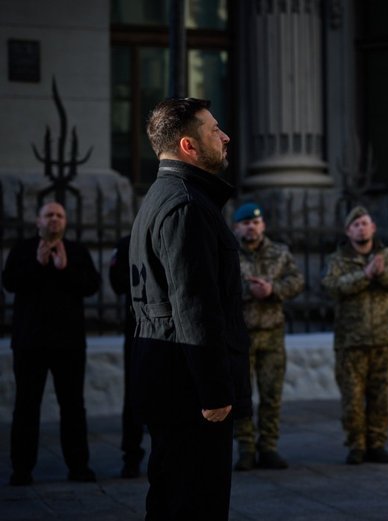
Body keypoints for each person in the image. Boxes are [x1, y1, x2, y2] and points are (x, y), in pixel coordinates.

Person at [129, 97, 251, 521]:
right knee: (195, 503)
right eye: (214, 129)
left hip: (174, 382)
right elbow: (194, 305)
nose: (225, 136)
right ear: (188, 146)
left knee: (173, 497)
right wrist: (216, 391)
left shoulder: (166, 196)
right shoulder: (185, 205)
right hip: (190, 390)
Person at [3, 201, 101, 486]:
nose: (54, 220)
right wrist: (38, 264)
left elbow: (91, 285)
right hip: (30, 343)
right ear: (38, 221)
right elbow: (9, 282)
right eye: (49, 215)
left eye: (59, 215)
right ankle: (21, 469)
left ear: (66, 222)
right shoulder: (23, 250)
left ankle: (79, 466)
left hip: (69, 344)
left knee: (73, 406)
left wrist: (65, 268)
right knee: (26, 406)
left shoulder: (77, 251)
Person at [321, 206, 388, 465]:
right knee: (352, 397)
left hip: (383, 339)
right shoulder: (337, 260)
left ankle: (377, 443)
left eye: (365, 223)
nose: (361, 227)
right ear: (348, 231)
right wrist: (364, 275)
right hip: (351, 342)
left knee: (380, 397)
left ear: (373, 228)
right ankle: (356, 445)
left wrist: (383, 274)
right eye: (356, 224)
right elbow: (330, 286)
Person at [231, 202, 304, 471]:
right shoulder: (227, 252)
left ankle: (269, 447)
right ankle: (246, 449)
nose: (252, 226)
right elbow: (217, 286)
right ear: (237, 227)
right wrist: (249, 291)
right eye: (246, 222)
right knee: (242, 395)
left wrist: (273, 289)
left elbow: (297, 281)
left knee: (272, 394)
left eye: (256, 222)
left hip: (272, 333)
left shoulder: (280, 252)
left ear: (263, 226)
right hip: (241, 335)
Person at [108, 234, 146, 478]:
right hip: (137, 329)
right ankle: (131, 454)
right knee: (134, 394)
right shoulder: (127, 243)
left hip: (171, 330)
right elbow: (116, 282)